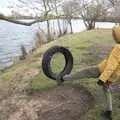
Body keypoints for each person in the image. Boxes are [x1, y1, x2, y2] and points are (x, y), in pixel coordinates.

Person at [63, 26, 120, 120]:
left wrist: (102, 78)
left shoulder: (118, 48)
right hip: (114, 76)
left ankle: (64, 78)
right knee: (106, 89)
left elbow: (111, 66)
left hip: (103, 71)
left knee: (84, 72)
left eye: (114, 34)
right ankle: (109, 111)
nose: (113, 36)